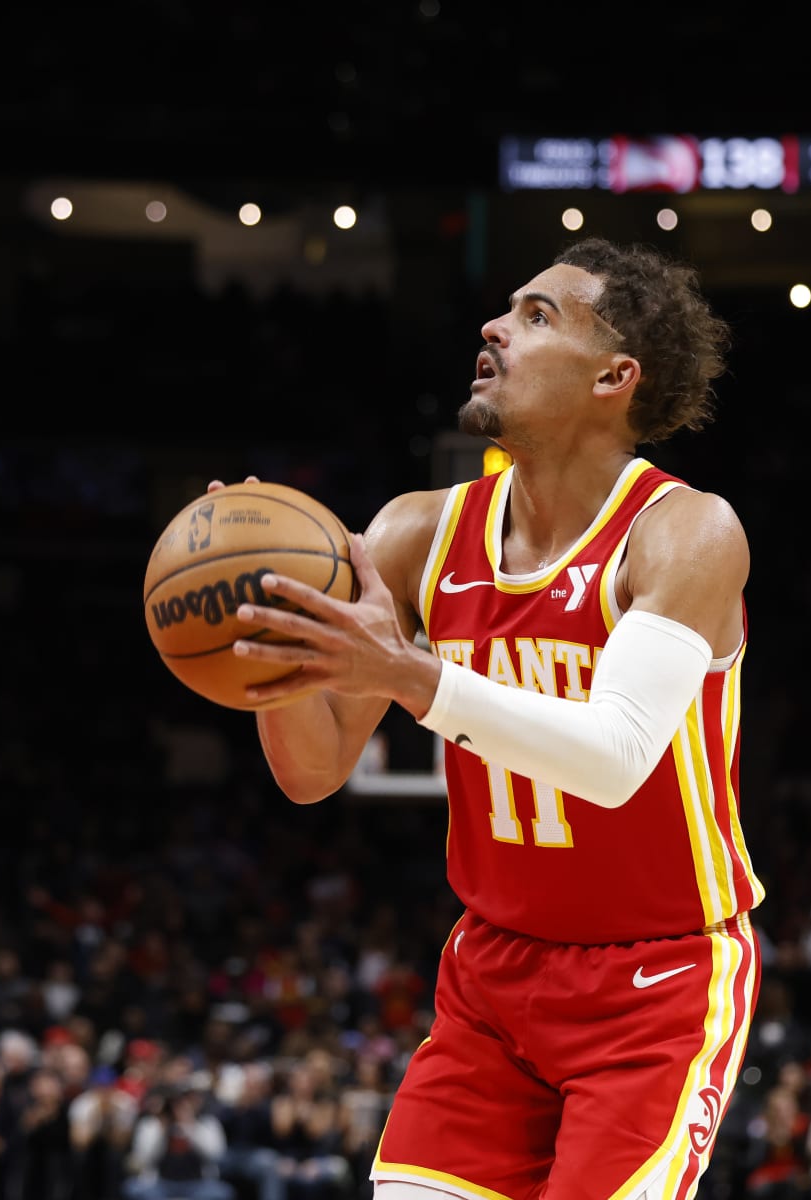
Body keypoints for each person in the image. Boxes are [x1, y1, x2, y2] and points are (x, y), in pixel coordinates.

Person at [221, 237, 762, 1199]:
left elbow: (614, 757)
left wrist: (410, 673)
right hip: (493, 977)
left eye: (537, 315)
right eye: (508, 310)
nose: (495, 327)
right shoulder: (415, 533)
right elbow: (311, 773)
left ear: (614, 376)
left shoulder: (685, 533)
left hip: (656, 984)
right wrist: (270, 643)